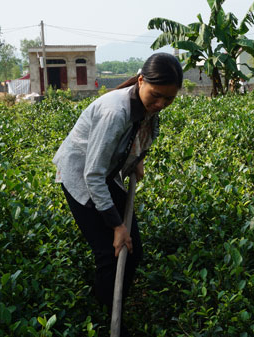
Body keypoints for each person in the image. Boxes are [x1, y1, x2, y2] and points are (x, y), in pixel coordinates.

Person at [52, 53, 183, 335]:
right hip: (80, 174)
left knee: (132, 250)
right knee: (108, 252)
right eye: (157, 96)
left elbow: (139, 134)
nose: (161, 104)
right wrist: (116, 225)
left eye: (168, 100)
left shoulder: (148, 107)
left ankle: (115, 301)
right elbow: (92, 174)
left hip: (105, 171)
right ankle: (105, 316)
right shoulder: (116, 111)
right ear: (140, 81)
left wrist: (136, 160)